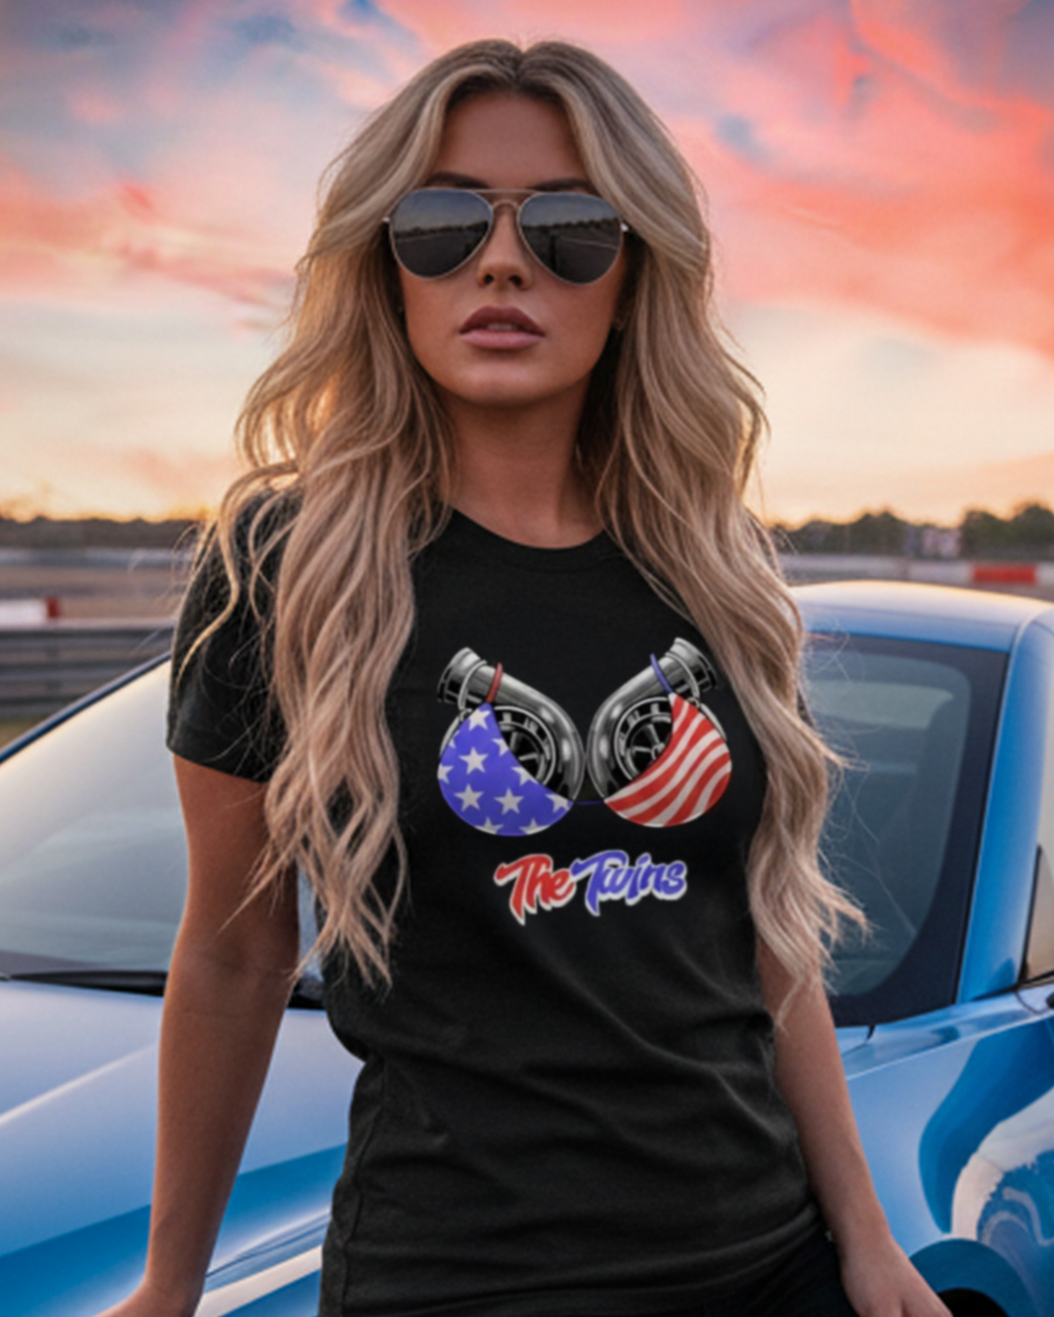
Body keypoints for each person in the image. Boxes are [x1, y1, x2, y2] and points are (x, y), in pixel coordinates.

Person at [101, 38, 950, 1317]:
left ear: (634, 271)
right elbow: (232, 957)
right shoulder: (286, 570)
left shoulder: (708, 569)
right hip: (450, 1283)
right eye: (442, 219)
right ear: (383, 266)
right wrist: (170, 1288)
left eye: (569, 224)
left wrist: (869, 1242)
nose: (501, 261)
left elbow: (765, 939)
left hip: (765, 1268)